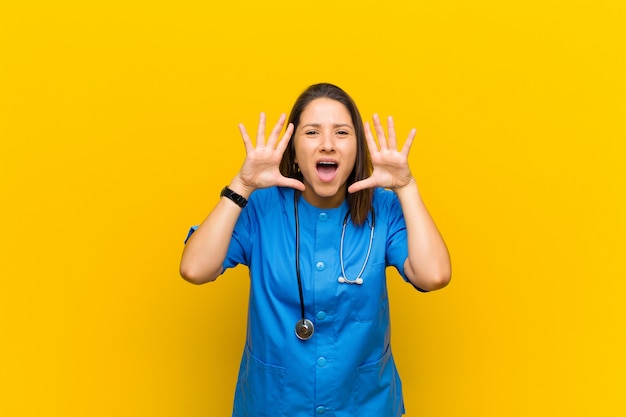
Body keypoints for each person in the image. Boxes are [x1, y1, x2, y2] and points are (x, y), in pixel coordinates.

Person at [180, 83, 451, 417]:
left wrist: (406, 187)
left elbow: (434, 275)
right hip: (273, 405)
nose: (327, 145)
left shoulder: (385, 209)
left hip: (364, 406)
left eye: (341, 132)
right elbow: (195, 268)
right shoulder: (259, 208)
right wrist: (242, 185)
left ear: (358, 149)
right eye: (312, 132)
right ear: (292, 151)